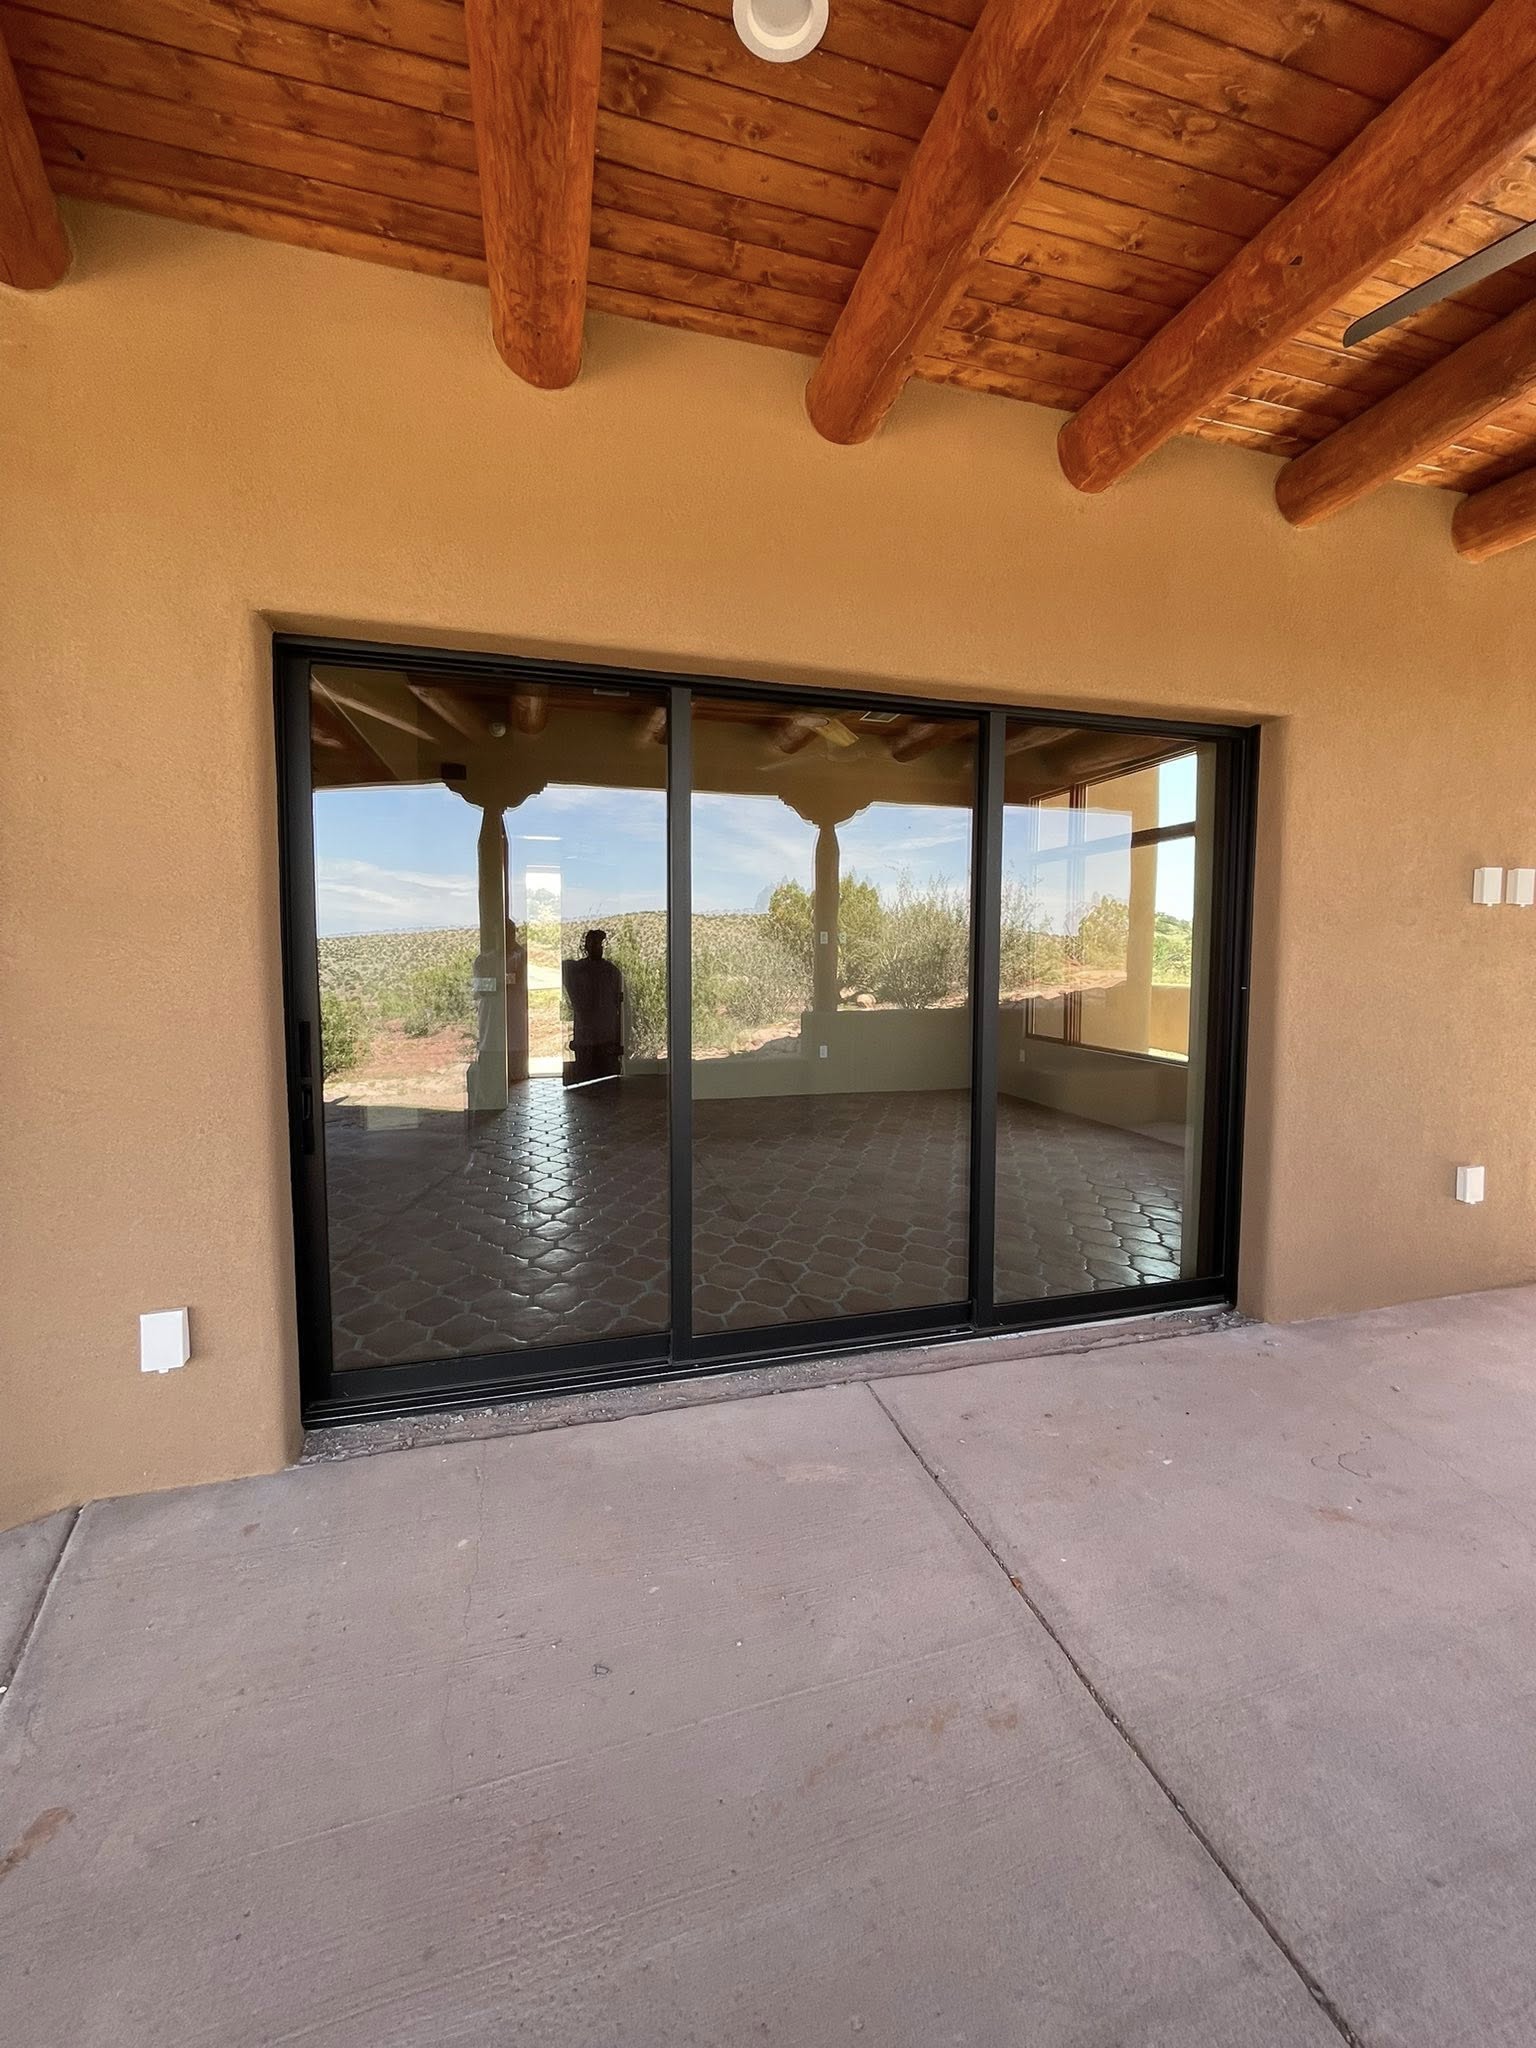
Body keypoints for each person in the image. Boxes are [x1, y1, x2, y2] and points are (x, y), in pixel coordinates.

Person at [562, 928, 625, 1085]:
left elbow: (619, 1003)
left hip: (604, 1035)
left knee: (605, 1082)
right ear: (586, 946)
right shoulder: (578, 970)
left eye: (600, 944)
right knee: (588, 1080)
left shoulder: (611, 972)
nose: (597, 947)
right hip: (588, 1035)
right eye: (594, 943)